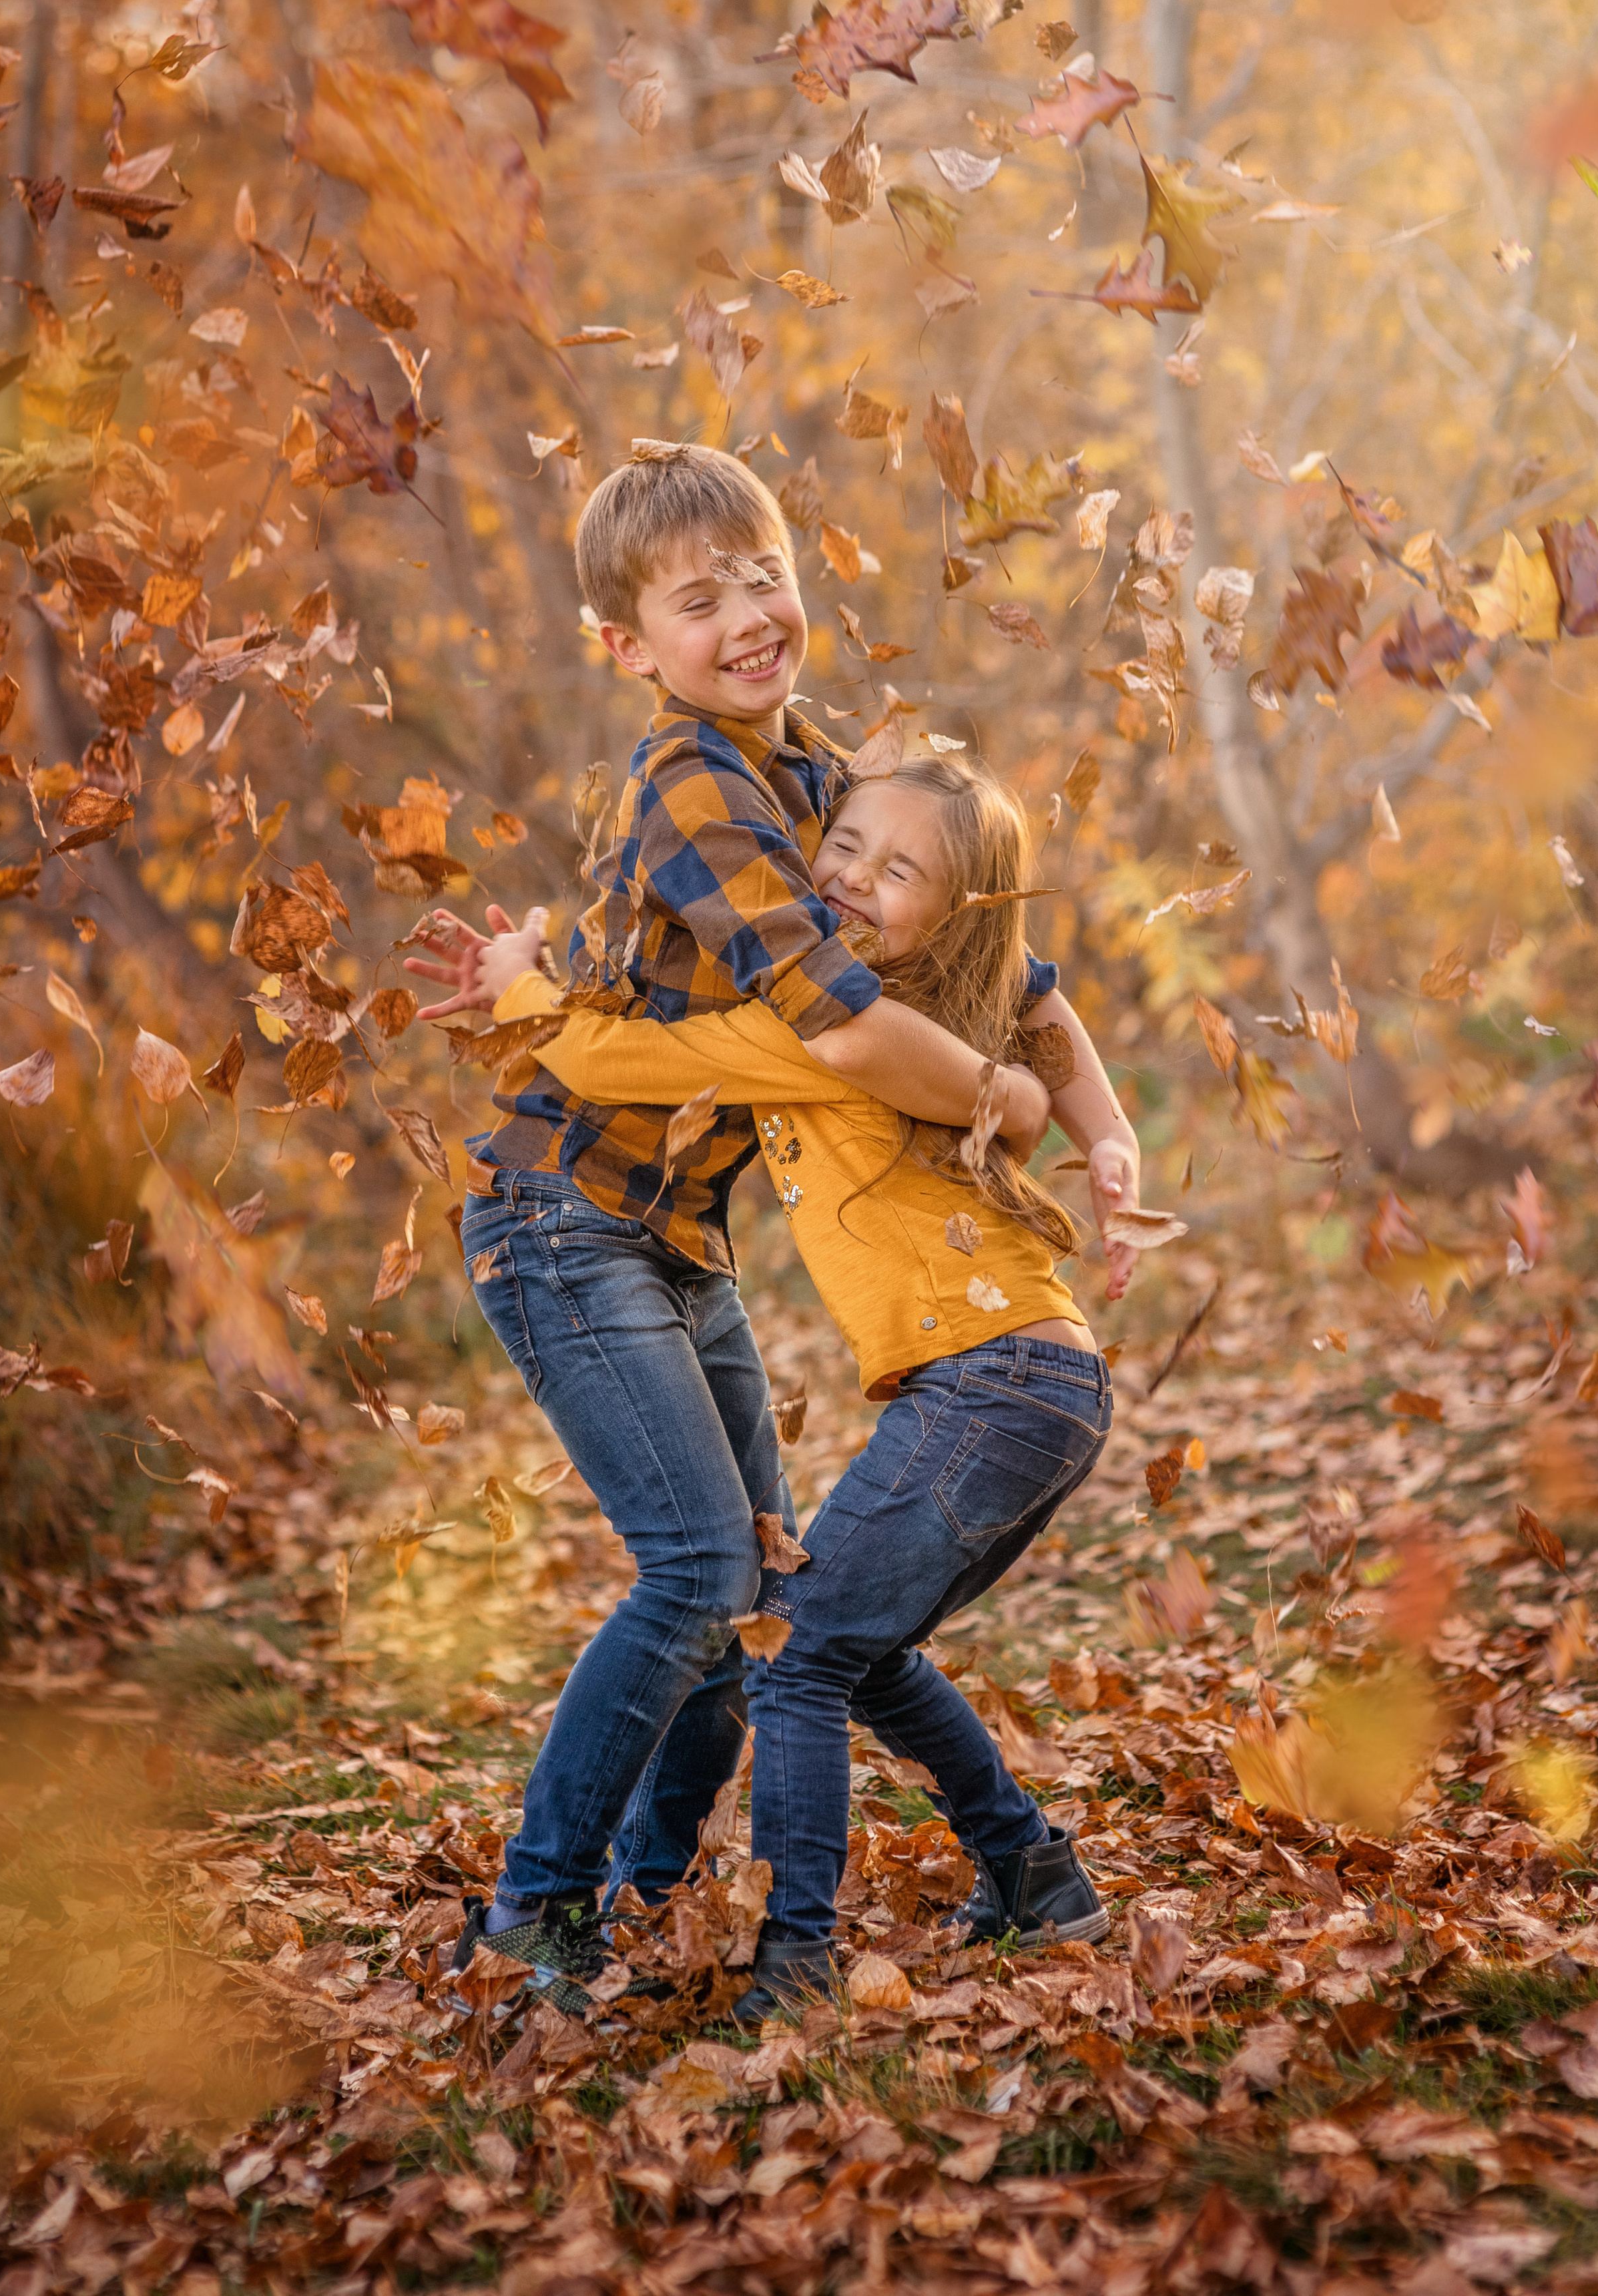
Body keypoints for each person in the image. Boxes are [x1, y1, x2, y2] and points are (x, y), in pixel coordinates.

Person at [405, 447, 1075, 2010]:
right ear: (629, 648)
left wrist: (1079, 1112)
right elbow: (840, 1022)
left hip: (672, 1239)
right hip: (561, 1214)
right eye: (695, 601)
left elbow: (987, 958)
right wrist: (995, 1095)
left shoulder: (814, 776)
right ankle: (534, 1915)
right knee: (702, 1572)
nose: (747, 616)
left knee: (758, 1589)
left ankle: (642, 1892)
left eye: (761, 574)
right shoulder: (688, 773)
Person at [475, 754, 1142, 2021]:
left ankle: (795, 1964)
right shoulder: (957, 1007)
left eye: (901, 874)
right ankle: (1030, 1871)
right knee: (861, 1649)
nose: (850, 880)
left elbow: (623, 1067)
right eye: (845, 848)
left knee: (792, 1654)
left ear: (954, 919)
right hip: (1045, 1383)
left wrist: (525, 993)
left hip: (991, 1378)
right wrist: (1105, 1130)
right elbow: (1046, 1009)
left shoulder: (828, 1029)